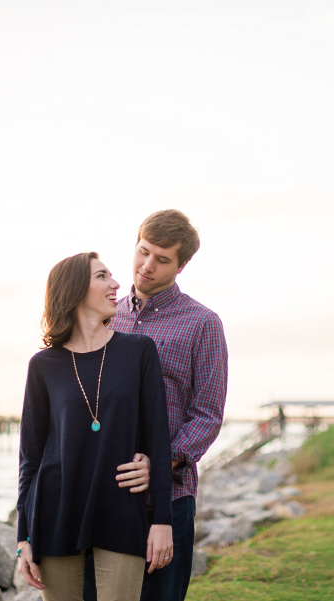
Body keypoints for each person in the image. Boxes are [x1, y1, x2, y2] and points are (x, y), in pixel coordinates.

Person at [84, 209, 229, 601]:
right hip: (104, 496)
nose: (147, 266)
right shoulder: (105, 315)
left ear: (181, 265)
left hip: (167, 502)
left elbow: (208, 415)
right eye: (143, 252)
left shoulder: (203, 324)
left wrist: (160, 464)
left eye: (162, 259)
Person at [16, 252, 174, 601]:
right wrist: (23, 538)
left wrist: (162, 520)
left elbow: (158, 441)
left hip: (121, 508)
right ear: (73, 291)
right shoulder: (43, 365)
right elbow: (31, 457)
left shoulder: (138, 351)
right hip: (54, 512)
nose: (116, 284)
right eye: (102, 276)